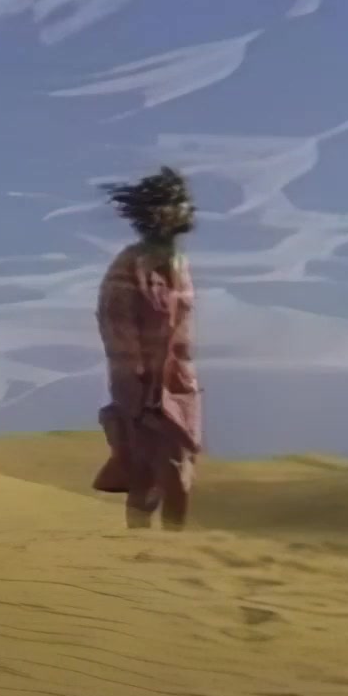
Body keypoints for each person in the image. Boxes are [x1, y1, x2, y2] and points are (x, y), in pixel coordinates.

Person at [91, 167, 201, 531]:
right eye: (179, 203)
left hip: (180, 385)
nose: (188, 210)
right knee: (145, 474)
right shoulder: (128, 266)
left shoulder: (180, 263)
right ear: (159, 212)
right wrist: (136, 389)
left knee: (180, 470)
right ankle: (140, 550)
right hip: (141, 388)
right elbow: (116, 327)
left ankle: (176, 548)